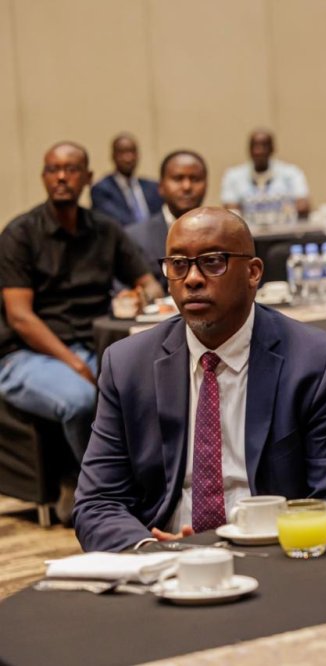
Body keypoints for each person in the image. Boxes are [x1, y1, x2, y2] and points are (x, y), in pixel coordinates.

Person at [74, 207, 326, 552]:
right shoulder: (128, 365)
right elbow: (97, 502)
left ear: (253, 272)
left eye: (212, 262)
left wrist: (253, 547)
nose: (192, 279)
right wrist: (151, 552)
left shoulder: (317, 362)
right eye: (178, 264)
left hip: (277, 555)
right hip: (163, 561)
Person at [0, 143, 163, 522]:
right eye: (53, 169)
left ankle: (150, 487)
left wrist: (141, 295)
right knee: (81, 399)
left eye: (71, 169)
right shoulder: (20, 234)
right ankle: (102, 495)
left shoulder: (105, 230)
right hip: (24, 354)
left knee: (146, 387)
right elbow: (20, 317)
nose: (62, 177)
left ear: (88, 178)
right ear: (44, 177)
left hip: (92, 345)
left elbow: (150, 283)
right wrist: (75, 364)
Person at [127, 150, 208, 286]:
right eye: (178, 179)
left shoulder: (221, 234)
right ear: (161, 186)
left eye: (195, 179)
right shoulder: (135, 237)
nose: (187, 187)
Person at [220, 130, 309, 218]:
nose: (259, 151)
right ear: (249, 150)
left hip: (284, 226)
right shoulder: (233, 176)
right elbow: (231, 213)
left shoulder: (291, 173)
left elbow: (303, 207)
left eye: (264, 146)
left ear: (272, 149)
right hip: (248, 227)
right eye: (255, 146)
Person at [90, 133, 163, 227]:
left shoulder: (152, 187)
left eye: (132, 152)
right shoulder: (102, 189)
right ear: (113, 156)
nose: (128, 158)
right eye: (122, 152)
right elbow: (114, 221)